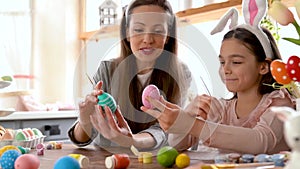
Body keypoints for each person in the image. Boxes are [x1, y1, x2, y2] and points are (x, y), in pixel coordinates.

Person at [142, 23, 296, 154]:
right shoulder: (221, 109)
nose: (226, 70)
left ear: (263, 67)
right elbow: (175, 146)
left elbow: (260, 141)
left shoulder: (279, 101)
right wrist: (186, 114)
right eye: (222, 62)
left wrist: (193, 125)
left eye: (236, 62)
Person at [68, 0, 193, 151]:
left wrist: (132, 140)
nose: (148, 39)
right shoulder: (107, 70)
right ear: (127, 33)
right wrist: (85, 121)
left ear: (167, 36)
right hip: (106, 160)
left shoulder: (181, 74)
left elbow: (166, 129)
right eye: (139, 30)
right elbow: (82, 138)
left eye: (158, 31)